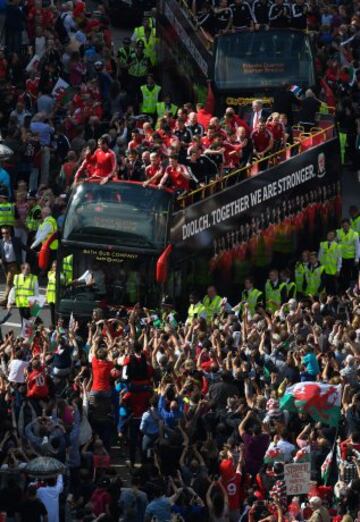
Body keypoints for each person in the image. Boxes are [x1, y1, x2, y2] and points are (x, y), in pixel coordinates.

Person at [0, 226, 24, 305]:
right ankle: (14, 298)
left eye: (6, 233)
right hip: (5, 265)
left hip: (14, 264)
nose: (5, 235)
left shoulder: (15, 240)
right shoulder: (1, 242)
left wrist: (35, 253)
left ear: (10, 233)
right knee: (14, 282)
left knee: (9, 281)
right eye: (3, 233)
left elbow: (24, 247)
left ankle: (4, 299)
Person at [336, 218, 359, 291]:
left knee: (350, 275)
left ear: (349, 225)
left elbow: (358, 247)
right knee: (341, 274)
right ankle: (343, 288)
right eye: (343, 226)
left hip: (350, 258)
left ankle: (350, 289)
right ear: (341, 226)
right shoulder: (338, 233)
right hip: (341, 258)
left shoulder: (354, 234)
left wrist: (357, 258)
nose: (345, 227)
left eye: (346, 225)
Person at [319, 230, 342, 295]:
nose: (329, 235)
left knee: (332, 288)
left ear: (334, 237)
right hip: (324, 270)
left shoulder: (337, 246)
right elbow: (320, 256)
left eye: (331, 234)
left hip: (333, 271)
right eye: (328, 234)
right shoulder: (323, 244)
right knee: (323, 288)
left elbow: (339, 259)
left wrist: (338, 270)